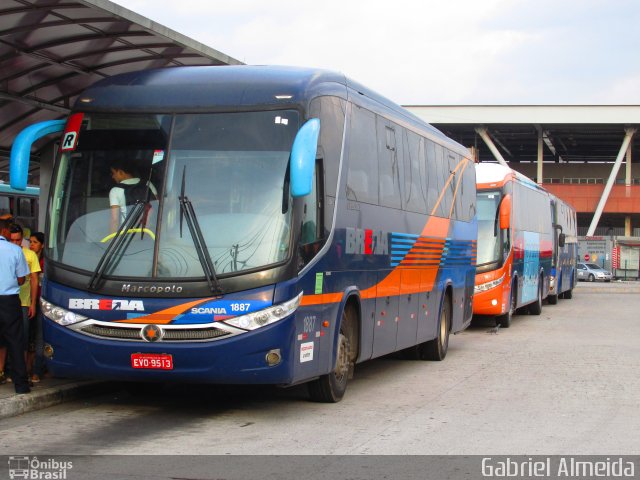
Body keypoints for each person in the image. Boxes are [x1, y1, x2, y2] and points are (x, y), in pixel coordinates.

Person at [6, 224, 41, 383]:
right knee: (6, 339)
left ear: (22, 240)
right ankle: (8, 371)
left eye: (18, 240)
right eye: (12, 240)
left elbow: (34, 280)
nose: (15, 243)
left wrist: (33, 303)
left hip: (24, 303)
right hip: (8, 300)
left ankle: (23, 372)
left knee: (24, 338)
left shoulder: (29, 255)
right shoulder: (6, 252)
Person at [0, 218, 31, 394]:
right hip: (9, 301)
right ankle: (21, 384)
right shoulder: (15, 250)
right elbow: (21, 279)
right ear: (5, 232)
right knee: (15, 341)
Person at [109, 159, 157, 233]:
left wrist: (111, 240)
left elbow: (114, 220)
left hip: (127, 235)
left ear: (120, 172)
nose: (113, 176)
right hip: (149, 233)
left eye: (113, 173)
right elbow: (158, 207)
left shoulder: (115, 190)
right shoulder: (148, 184)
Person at [29, 231, 45, 383]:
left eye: (35, 242)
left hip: (41, 302)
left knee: (40, 336)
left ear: (42, 245)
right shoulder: (26, 257)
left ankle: (37, 371)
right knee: (28, 336)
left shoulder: (45, 262)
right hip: (28, 301)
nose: (31, 245)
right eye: (30, 242)